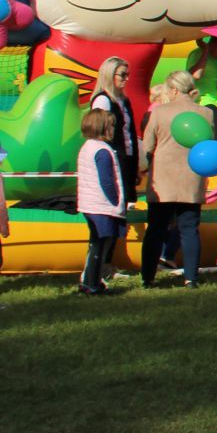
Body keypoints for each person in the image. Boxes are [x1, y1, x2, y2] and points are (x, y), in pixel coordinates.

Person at [137, 70, 210, 290]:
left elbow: (148, 146)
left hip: (163, 180)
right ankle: (190, 278)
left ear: (174, 90)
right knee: (189, 229)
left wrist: (141, 169)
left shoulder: (160, 113)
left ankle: (148, 277)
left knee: (156, 229)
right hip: (192, 177)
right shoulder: (206, 113)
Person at [76, 107, 125, 295]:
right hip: (100, 205)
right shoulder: (102, 150)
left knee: (96, 243)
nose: (113, 130)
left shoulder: (87, 147)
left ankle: (90, 280)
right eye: (111, 126)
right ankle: (92, 283)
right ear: (103, 128)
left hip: (91, 203)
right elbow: (106, 180)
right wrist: (115, 201)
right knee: (100, 244)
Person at [88, 57, 138, 206]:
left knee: (127, 201)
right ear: (110, 75)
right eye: (122, 75)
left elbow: (129, 132)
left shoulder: (124, 100)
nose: (126, 79)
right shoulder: (103, 100)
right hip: (114, 158)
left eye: (127, 74)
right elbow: (99, 133)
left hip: (127, 158)